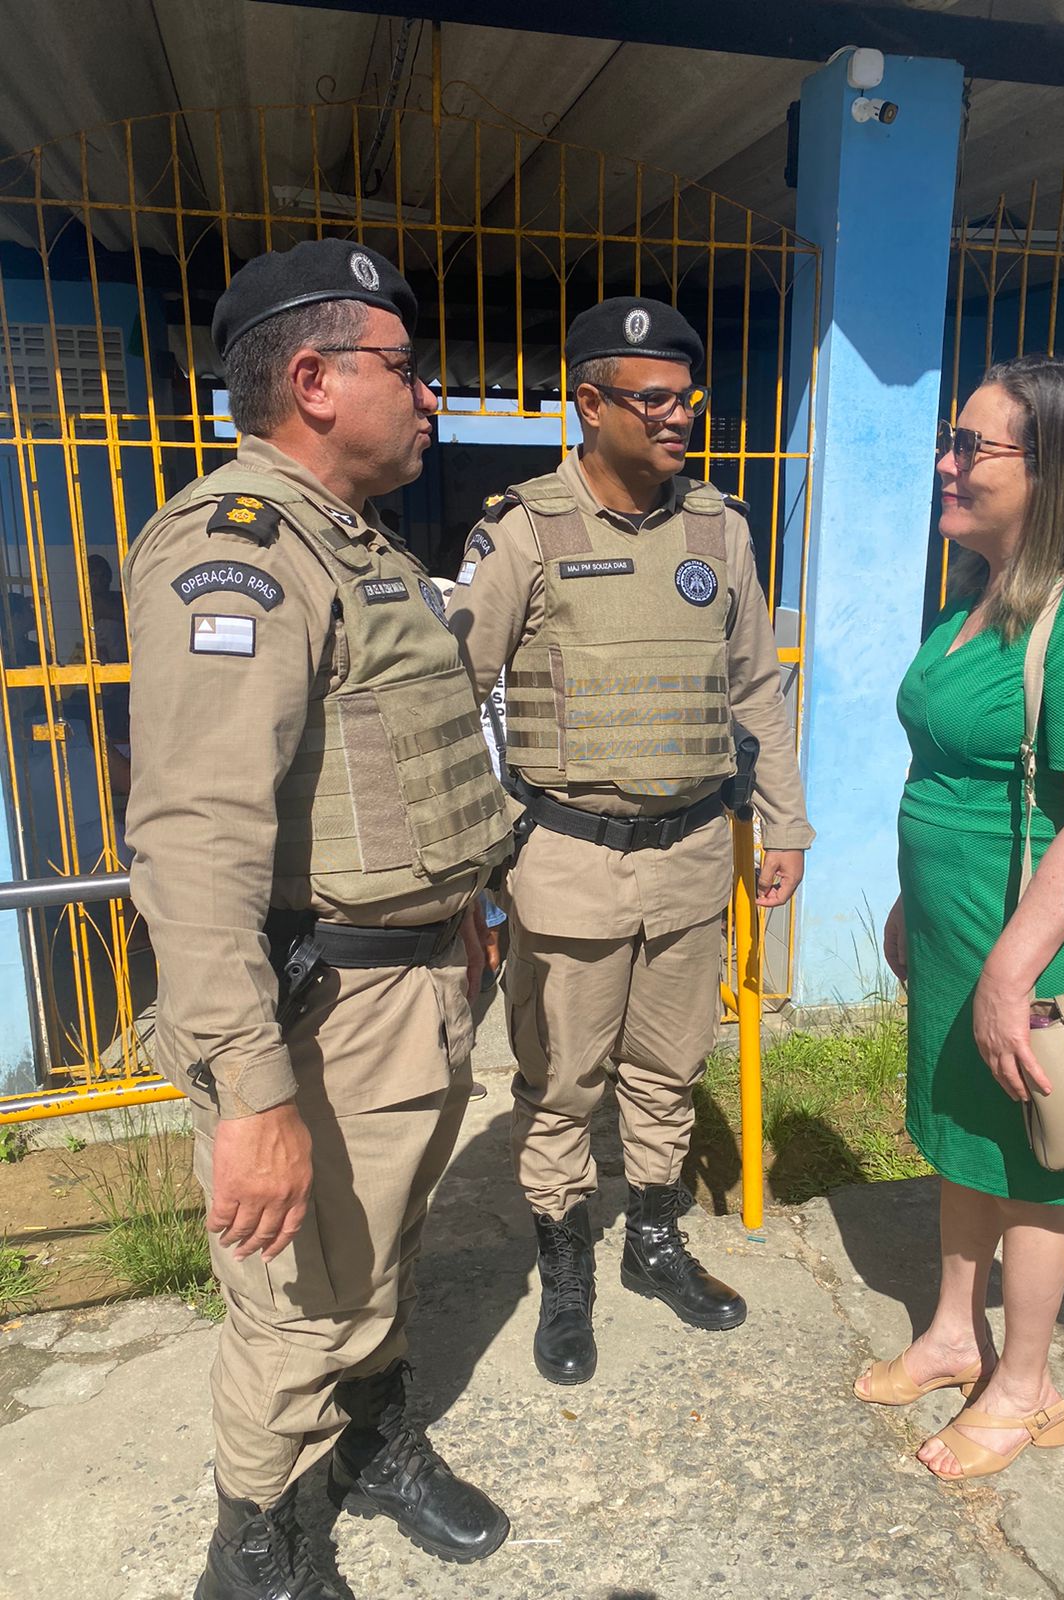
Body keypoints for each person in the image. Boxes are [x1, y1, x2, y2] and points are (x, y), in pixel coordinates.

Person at [123, 239, 514, 1598]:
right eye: (408, 367)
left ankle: (372, 1446)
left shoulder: (355, 543)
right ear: (313, 380)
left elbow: (391, 771)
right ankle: (262, 1557)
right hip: (321, 1014)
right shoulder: (237, 554)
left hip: (415, 987)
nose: (432, 396)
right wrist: (250, 1093)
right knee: (294, 1311)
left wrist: (463, 912)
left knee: (380, 1251)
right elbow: (195, 840)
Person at [446, 296, 814, 1386]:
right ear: (589, 404)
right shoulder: (523, 531)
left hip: (693, 853)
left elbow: (756, 687)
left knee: (668, 1066)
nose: (677, 416)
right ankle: (565, 1266)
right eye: (651, 399)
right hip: (569, 857)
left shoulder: (718, 529)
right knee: (562, 1081)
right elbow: (452, 697)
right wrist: (471, 863)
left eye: (686, 397)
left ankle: (652, 1238)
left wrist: (785, 821)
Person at [859, 355, 1064, 1482]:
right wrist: (912, 902)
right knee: (964, 1136)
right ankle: (955, 1331)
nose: (946, 463)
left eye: (970, 446)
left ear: (1055, 469)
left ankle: (1028, 1387)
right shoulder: (980, 591)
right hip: (962, 932)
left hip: (1040, 944)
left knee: (1039, 1165)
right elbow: (956, 771)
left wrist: (1009, 972)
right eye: (950, 439)